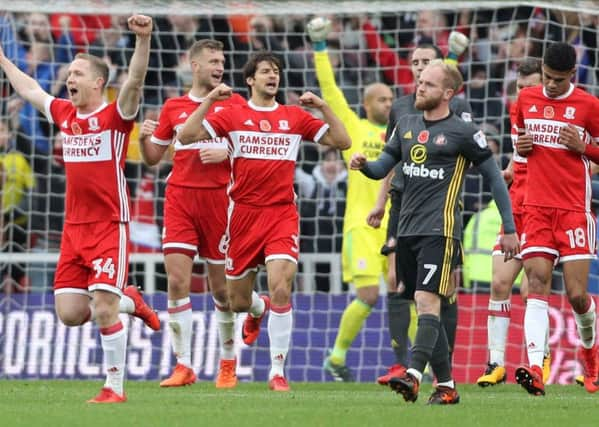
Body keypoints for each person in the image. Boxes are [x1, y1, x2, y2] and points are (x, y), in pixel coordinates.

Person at [0, 15, 160, 403]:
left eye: (77, 73)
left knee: (103, 306)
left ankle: (114, 389)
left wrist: (143, 40)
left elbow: (135, 81)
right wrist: (2, 60)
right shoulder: (65, 116)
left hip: (109, 224)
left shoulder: (115, 116)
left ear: (97, 83)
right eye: (69, 72)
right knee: (71, 314)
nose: (69, 78)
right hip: (74, 229)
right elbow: (33, 88)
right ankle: (131, 300)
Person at [178, 52, 351, 391]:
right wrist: (211, 99)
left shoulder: (294, 116)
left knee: (282, 287)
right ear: (250, 80)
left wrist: (323, 106)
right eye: (266, 71)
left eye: (277, 71)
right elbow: (186, 135)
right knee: (237, 301)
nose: (273, 76)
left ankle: (277, 373)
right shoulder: (232, 113)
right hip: (242, 215)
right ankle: (258, 311)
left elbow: (343, 141)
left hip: (281, 215)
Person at [350, 60, 519, 404]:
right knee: (425, 305)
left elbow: (495, 179)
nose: (419, 86)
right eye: (419, 81)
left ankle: (413, 374)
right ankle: (446, 387)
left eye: (427, 83)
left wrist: (510, 228)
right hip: (407, 230)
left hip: (440, 231)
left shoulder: (463, 132)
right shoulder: (407, 124)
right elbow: (386, 165)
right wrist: (365, 166)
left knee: (428, 301)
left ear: (447, 93)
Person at [138, 39, 248, 389]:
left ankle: (228, 363)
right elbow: (154, 158)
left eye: (223, 61)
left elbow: (257, 153)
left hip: (219, 202)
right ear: (194, 65)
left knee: (222, 293)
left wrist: (227, 153)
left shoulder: (235, 103)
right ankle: (183, 365)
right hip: (180, 200)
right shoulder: (174, 106)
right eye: (213, 61)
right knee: (177, 281)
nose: (220, 67)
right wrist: (143, 140)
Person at [366, 38, 473, 386]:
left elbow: (459, 154)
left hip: (441, 211)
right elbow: (392, 159)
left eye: (427, 62)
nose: (418, 67)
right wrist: (381, 203)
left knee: (442, 291)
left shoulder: (458, 113)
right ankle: (417, 369)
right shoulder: (401, 109)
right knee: (402, 286)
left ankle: (430, 367)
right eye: (415, 62)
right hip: (403, 206)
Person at [306, 17, 394, 382]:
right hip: (361, 225)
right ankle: (336, 357)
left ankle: (418, 361)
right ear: (367, 102)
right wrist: (321, 47)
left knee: (407, 296)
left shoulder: (402, 133)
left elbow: (434, 89)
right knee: (370, 294)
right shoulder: (355, 128)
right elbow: (329, 89)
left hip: (397, 225)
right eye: (382, 99)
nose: (388, 104)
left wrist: (451, 60)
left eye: (391, 98)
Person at [514, 42, 599, 396]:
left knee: (578, 295)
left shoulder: (589, 106)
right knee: (536, 282)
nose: (550, 84)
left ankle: (591, 358)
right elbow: (519, 144)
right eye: (547, 77)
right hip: (536, 207)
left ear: (572, 76)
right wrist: (520, 148)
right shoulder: (524, 100)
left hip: (573, 211)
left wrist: (586, 148)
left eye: (558, 79)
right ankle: (535, 368)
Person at [477, 58, 547, 387]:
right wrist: (509, 167)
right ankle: (496, 363)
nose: (523, 94)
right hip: (516, 207)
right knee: (500, 283)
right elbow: (521, 153)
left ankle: (541, 357)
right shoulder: (517, 112)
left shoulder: (553, 115)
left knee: (532, 287)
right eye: (519, 88)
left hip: (543, 208)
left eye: (530, 87)